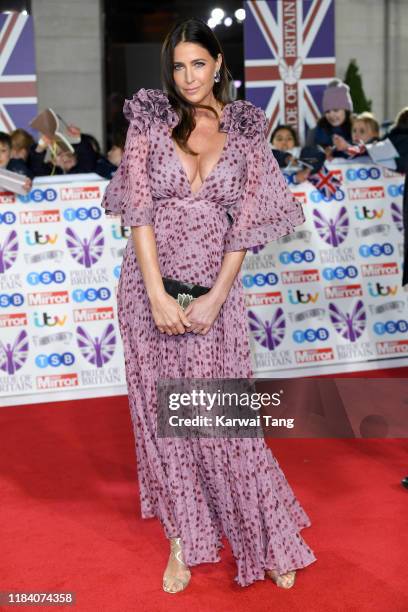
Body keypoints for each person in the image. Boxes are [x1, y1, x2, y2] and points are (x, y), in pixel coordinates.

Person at [101, 17, 316, 593]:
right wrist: (156, 296)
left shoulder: (245, 129)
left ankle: (264, 533)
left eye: (199, 63)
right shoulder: (152, 122)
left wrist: (216, 298)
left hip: (215, 294)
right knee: (167, 424)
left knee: (225, 422)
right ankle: (182, 540)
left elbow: (246, 226)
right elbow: (138, 212)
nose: (189, 76)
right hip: (150, 291)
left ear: (219, 64)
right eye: (178, 66)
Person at [305, 78, 353, 158]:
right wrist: (321, 153)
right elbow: (306, 154)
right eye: (327, 111)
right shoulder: (317, 129)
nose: (331, 115)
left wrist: (347, 147)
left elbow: (366, 150)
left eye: (336, 110)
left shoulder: (357, 126)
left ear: (346, 110)